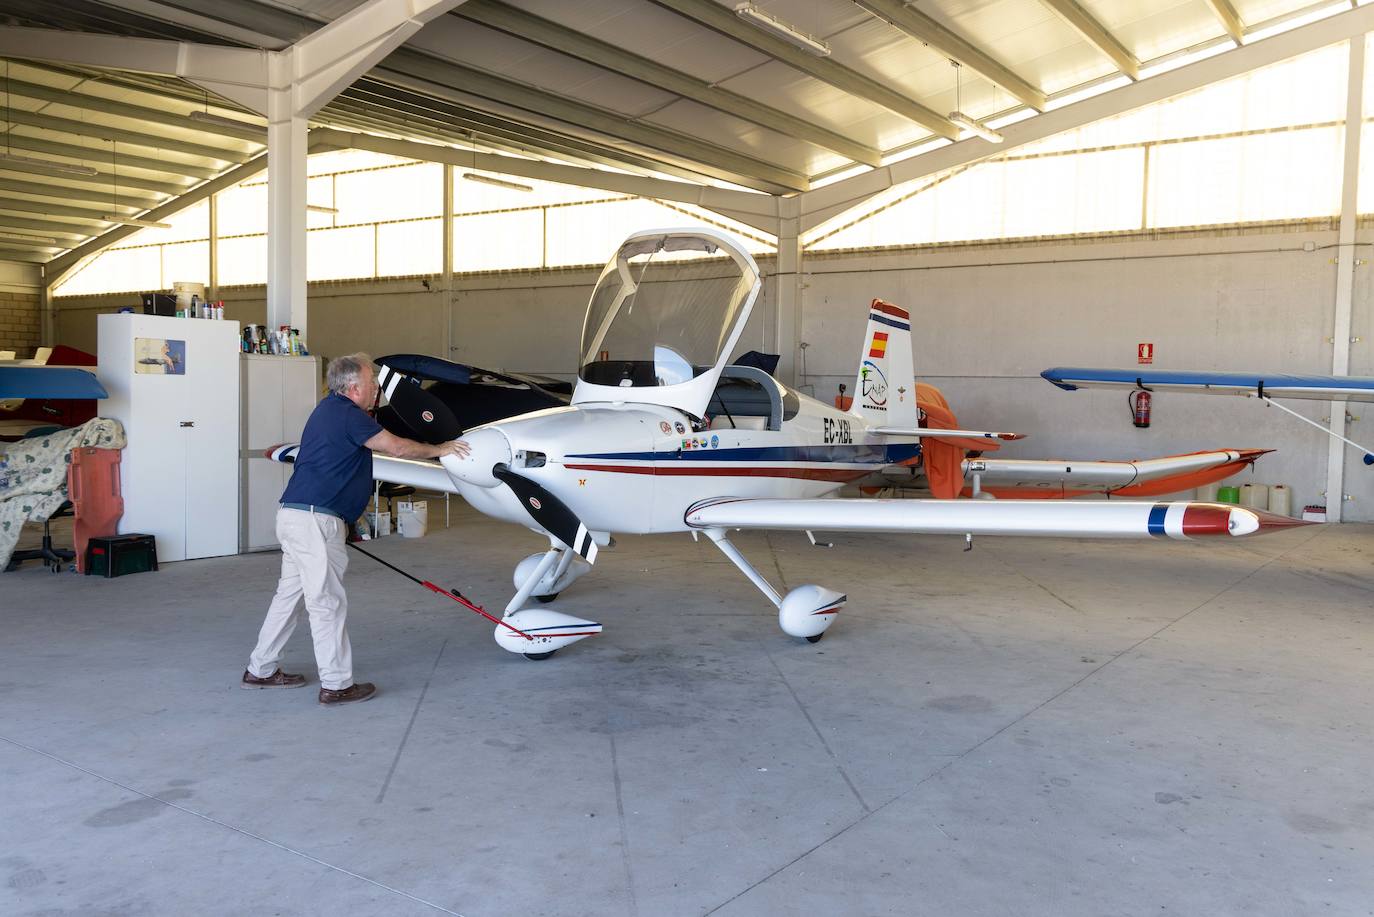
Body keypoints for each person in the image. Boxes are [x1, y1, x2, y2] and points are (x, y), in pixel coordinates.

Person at [242, 353, 470, 705]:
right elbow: (395, 446)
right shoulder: (348, 415)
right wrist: (441, 449)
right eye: (372, 383)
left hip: (296, 517)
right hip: (315, 522)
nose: (377, 389)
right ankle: (336, 684)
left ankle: (261, 668)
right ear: (353, 387)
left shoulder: (328, 410)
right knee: (326, 602)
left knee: (290, 597)